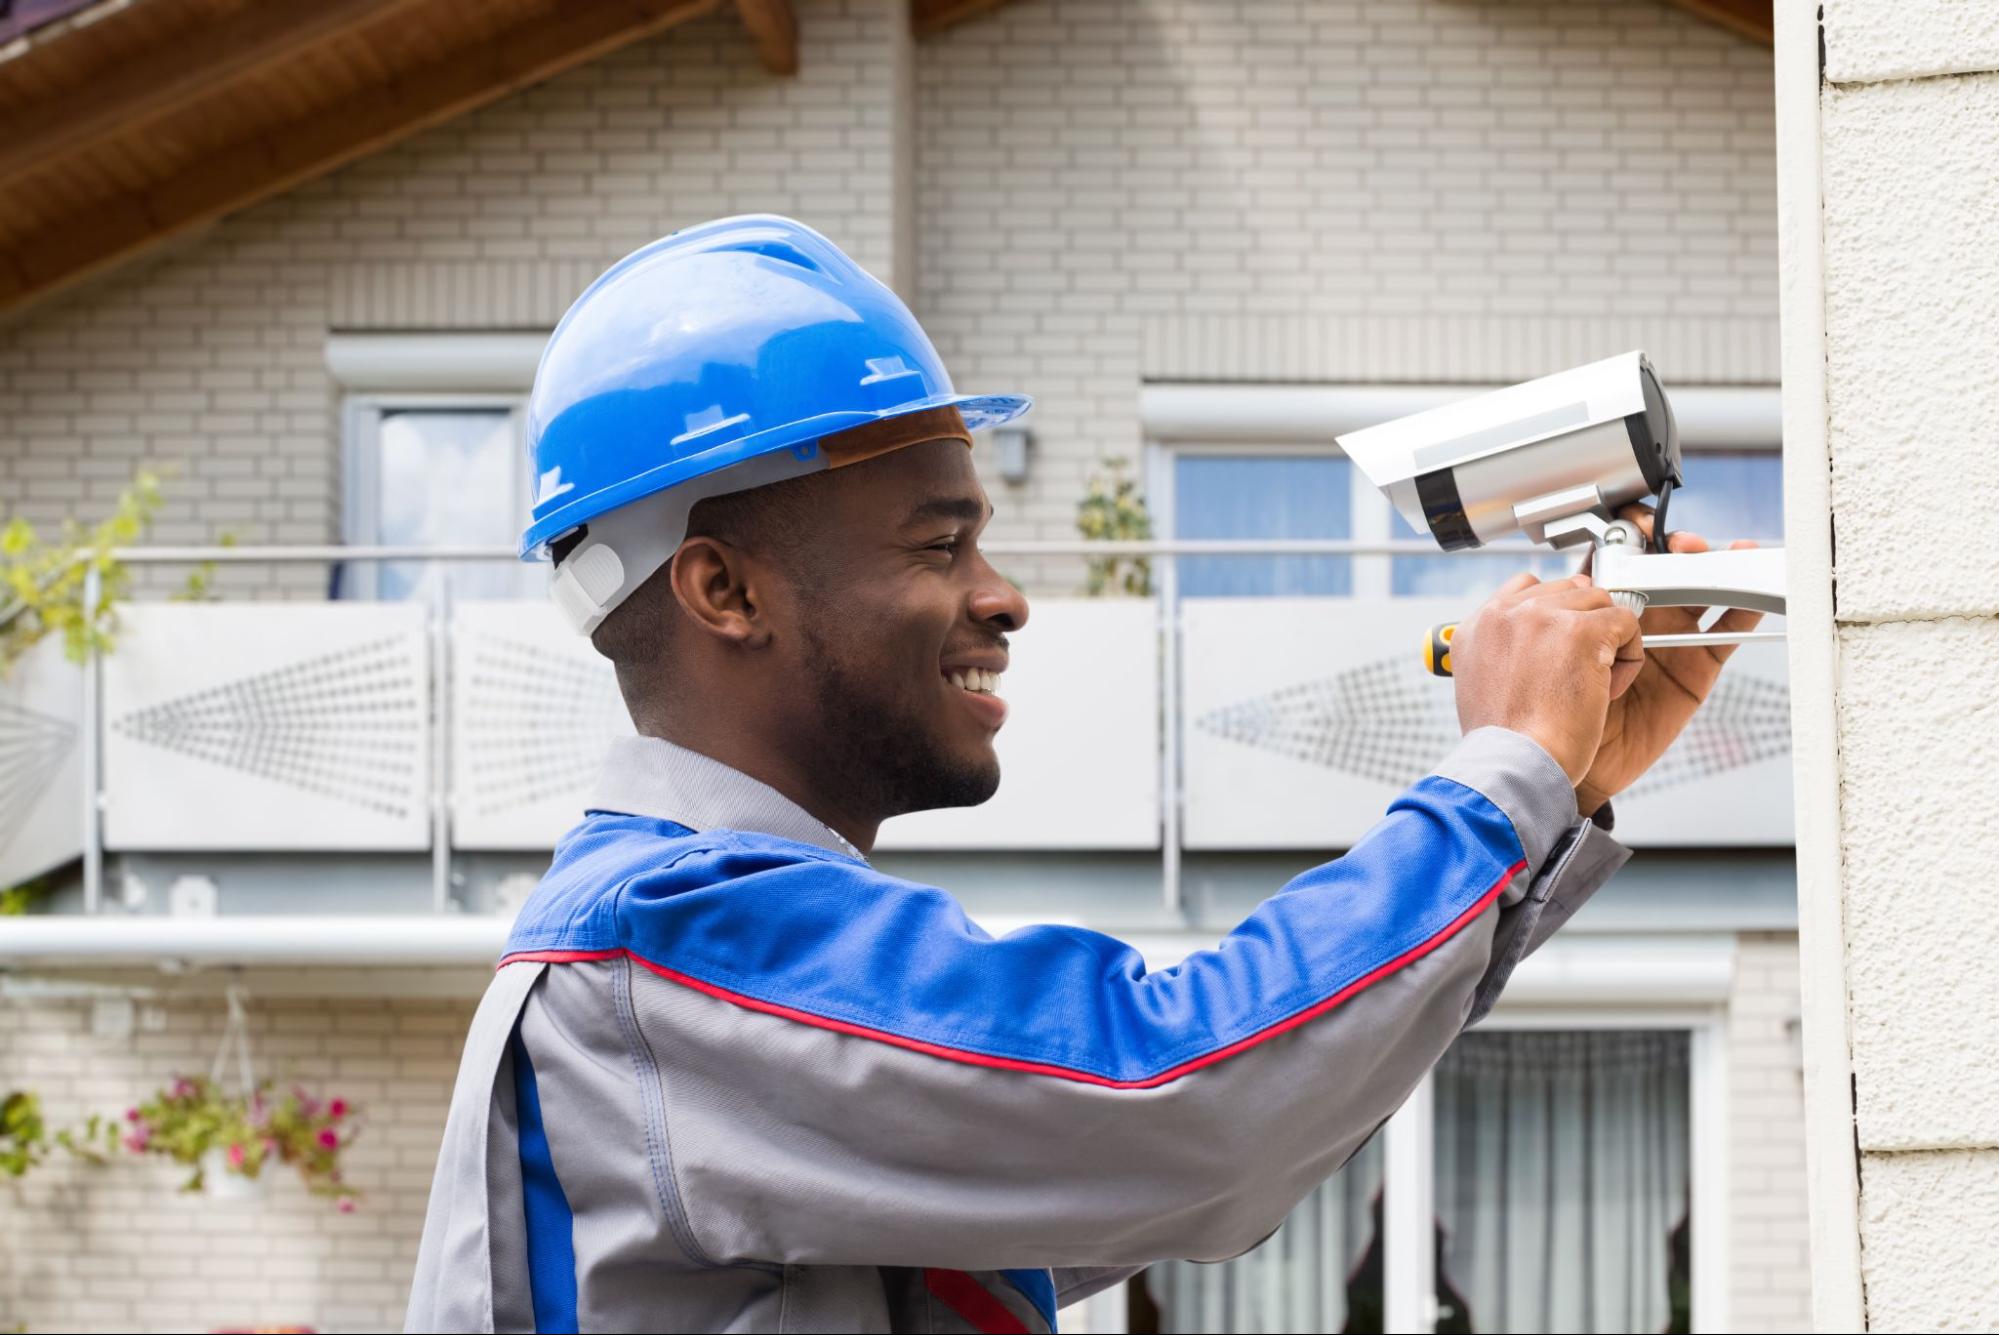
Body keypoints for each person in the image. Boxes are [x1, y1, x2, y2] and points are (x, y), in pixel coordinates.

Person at [406, 215, 1759, 1334]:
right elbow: (1180, 1096)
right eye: (940, 547)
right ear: (724, 589)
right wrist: (1500, 779)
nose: (1004, 599)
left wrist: (1552, 795)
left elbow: (1221, 1141)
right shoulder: (676, 940)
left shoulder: (709, 955)